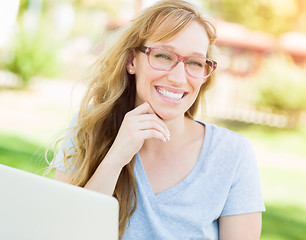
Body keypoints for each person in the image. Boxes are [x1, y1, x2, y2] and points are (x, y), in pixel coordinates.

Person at [51, 0, 265, 239]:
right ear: (132, 60)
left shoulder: (231, 154)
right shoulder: (89, 128)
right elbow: (65, 232)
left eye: (194, 62)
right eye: (164, 56)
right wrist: (114, 159)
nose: (178, 77)